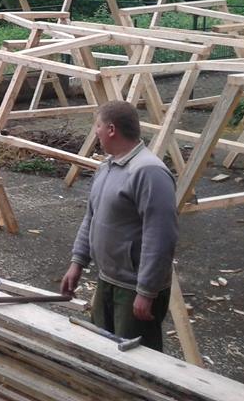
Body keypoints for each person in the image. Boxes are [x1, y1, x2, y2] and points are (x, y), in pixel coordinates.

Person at [60, 100, 177, 351]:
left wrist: (146, 291)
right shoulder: (107, 167)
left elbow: (161, 237)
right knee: (102, 348)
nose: (96, 132)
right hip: (108, 280)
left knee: (136, 358)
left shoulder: (149, 172)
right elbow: (91, 218)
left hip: (133, 289)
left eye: (98, 125)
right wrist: (77, 262)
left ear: (111, 129)